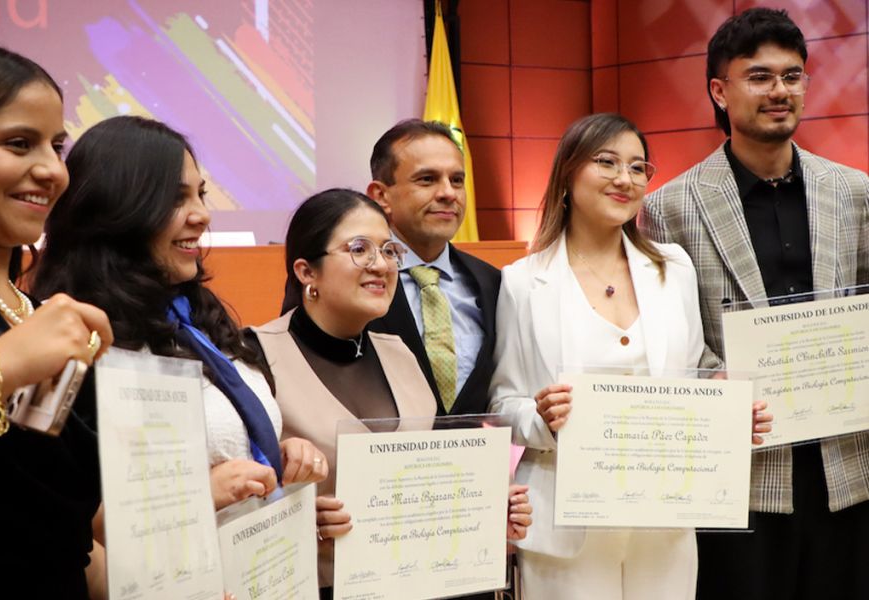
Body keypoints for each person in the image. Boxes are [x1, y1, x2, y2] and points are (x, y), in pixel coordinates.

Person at [490, 113, 771, 599]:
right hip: (565, 527)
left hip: (664, 520)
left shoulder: (673, 269)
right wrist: (542, 417)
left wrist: (725, 409)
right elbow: (502, 405)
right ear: (567, 173)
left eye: (639, 167)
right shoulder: (523, 281)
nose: (625, 178)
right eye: (607, 162)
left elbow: (693, 377)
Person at [641, 8, 869, 599]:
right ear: (720, 91)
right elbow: (670, 343)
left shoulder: (853, 192)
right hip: (740, 472)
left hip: (846, 469)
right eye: (760, 77)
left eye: (792, 77)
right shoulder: (670, 207)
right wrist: (720, 387)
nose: (780, 92)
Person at [32, 116, 327, 512]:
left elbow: (225, 447)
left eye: (200, 194)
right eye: (175, 199)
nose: (202, 215)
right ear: (115, 208)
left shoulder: (197, 319)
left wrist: (281, 462)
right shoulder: (73, 338)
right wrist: (197, 497)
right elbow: (55, 514)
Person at [255, 188, 532, 598]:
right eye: (360, 249)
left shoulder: (400, 355)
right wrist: (298, 519)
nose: (380, 265)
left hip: (422, 585)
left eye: (388, 250)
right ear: (306, 271)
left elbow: (425, 483)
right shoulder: (255, 358)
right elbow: (236, 503)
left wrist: (487, 508)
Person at [0, 41, 114, 598]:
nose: (51, 170)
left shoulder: (39, 315)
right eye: (19, 144)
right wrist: (0, 367)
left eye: (57, 146)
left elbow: (65, 535)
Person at [364, 119, 500, 418]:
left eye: (457, 180)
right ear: (380, 196)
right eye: (427, 179)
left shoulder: (494, 284)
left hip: (477, 462)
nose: (448, 193)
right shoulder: (349, 280)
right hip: (377, 461)